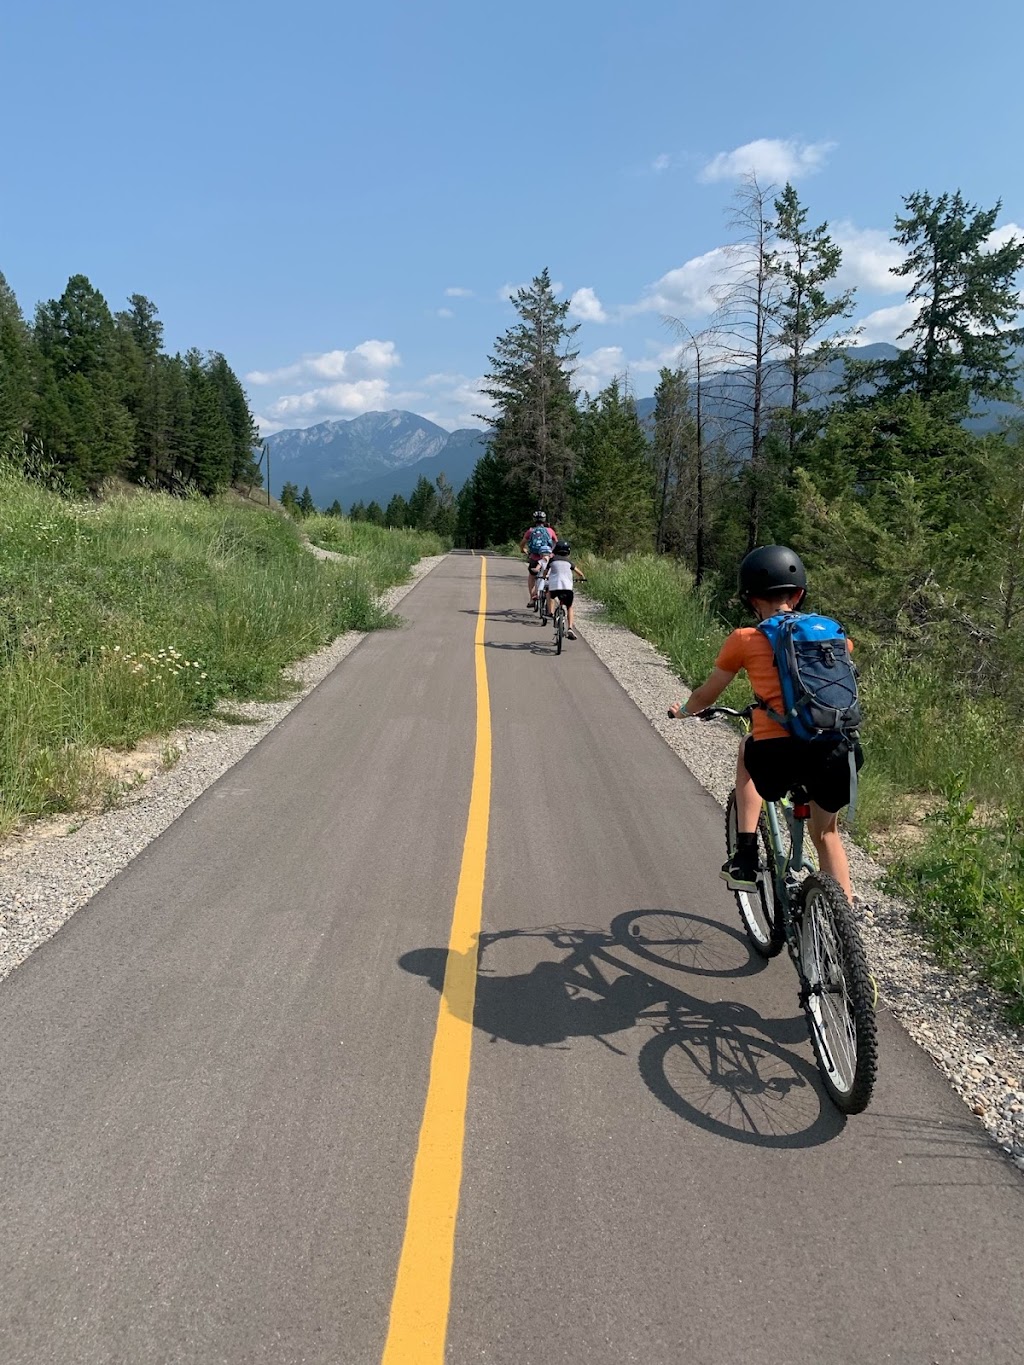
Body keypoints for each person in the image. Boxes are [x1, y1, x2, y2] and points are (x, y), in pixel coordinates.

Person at [668, 545, 862, 901]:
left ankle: (744, 854)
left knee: (746, 747)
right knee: (828, 834)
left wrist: (683, 711)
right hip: (837, 749)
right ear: (799, 594)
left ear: (750, 599)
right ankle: (844, 937)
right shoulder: (832, 634)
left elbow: (706, 697)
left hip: (779, 755)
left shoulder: (744, 640)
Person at [542, 540, 586, 639]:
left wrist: (545, 577)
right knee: (569, 607)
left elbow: (545, 572)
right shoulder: (568, 561)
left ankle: (551, 612)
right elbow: (579, 572)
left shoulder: (552, 560)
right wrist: (582, 577)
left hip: (555, 586)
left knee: (550, 595)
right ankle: (570, 628)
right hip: (567, 588)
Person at [520, 511, 558, 609]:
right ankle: (548, 600)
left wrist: (523, 550)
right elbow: (556, 543)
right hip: (548, 558)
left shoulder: (531, 531)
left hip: (534, 557)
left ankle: (532, 598)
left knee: (532, 577)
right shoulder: (550, 531)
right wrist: (552, 553)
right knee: (548, 576)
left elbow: (522, 543)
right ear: (544, 520)